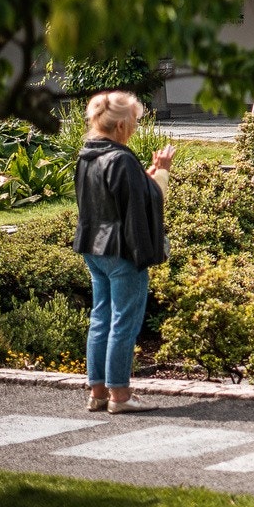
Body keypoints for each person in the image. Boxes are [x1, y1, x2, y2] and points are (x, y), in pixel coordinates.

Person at [74, 91, 172, 415]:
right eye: (133, 123)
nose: (134, 129)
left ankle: (98, 392)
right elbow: (142, 204)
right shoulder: (122, 158)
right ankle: (120, 395)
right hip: (121, 251)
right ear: (120, 127)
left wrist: (146, 175)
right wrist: (163, 173)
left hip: (93, 247)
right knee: (123, 322)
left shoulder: (87, 155)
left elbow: (111, 196)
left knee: (100, 317)